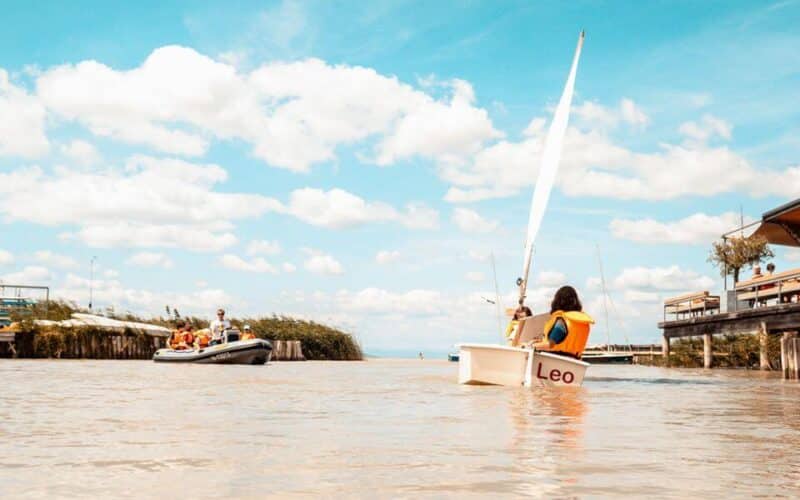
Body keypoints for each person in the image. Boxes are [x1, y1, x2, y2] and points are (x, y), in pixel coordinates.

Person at [530, 285, 594, 359]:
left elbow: (550, 344)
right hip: (575, 360)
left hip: (556, 359)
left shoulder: (561, 321)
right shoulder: (582, 322)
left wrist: (531, 346)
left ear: (558, 301)